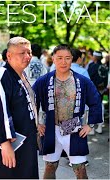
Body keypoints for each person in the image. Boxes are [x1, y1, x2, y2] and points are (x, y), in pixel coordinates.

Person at [33, 44, 102, 179]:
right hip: (51, 128)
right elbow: (30, 101)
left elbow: (96, 101)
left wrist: (90, 124)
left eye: (67, 58)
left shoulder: (82, 81)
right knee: (50, 166)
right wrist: (37, 123)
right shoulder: (44, 81)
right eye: (59, 58)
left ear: (72, 59)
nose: (63, 62)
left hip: (73, 127)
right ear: (53, 58)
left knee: (80, 168)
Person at [0, 37, 39, 179]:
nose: (27, 57)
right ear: (9, 55)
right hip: (11, 143)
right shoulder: (2, 74)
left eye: (29, 53)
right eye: (22, 53)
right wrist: (4, 143)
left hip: (27, 139)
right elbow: (0, 110)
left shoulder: (22, 74)